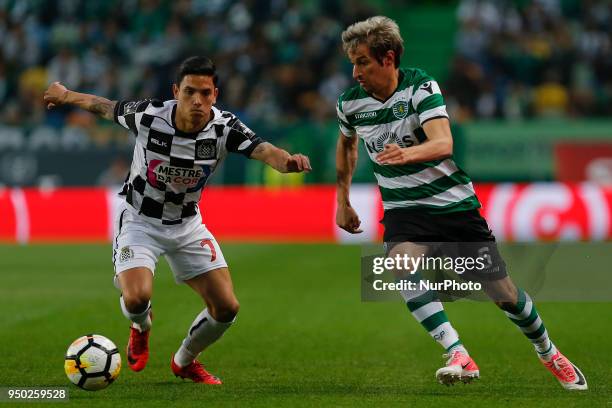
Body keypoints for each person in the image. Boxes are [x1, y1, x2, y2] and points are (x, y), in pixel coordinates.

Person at [335, 16, 586, 390]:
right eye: (352, 63)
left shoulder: (421, 87)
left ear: (388, 59)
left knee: (504, 296)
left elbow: (443, 143)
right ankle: (457, 351)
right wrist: (343, 200)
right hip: (406, 212)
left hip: (453, 207)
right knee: (399, 265)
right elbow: (347, 145)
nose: (355, 72)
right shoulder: (350, 104)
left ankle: (549, 351)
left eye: (362, 62)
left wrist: (408, 155)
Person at [44, 56, 311, 384]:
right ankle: (141, 327)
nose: (197, 100)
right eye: (189, 92)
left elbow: (264, 149)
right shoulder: (149, 116)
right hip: (140, 220)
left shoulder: (225, 128)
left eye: (205, 93)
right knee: (137, 298)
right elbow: (104, 106)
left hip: (187, 225)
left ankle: (184, 360)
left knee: (227, 308)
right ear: (176, 91)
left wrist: (288, 162)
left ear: (215, 94)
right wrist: (65, 94)